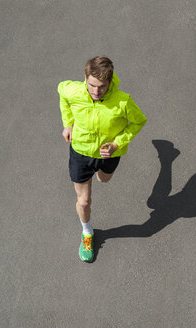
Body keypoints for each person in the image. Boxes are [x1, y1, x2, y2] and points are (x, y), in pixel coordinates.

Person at [58, 56, 147, 262]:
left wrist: (117, 144)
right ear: (85, 77)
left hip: (109, 155)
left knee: (104, 180)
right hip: (81, 153)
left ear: (110, 82)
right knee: (84, 200)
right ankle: (87, 233)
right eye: (92, 86)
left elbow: (138, 122)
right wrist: (68, 123)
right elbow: (61, 91)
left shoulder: (123, 100)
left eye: (102, 87)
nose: (96, 92)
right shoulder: (74, 91)